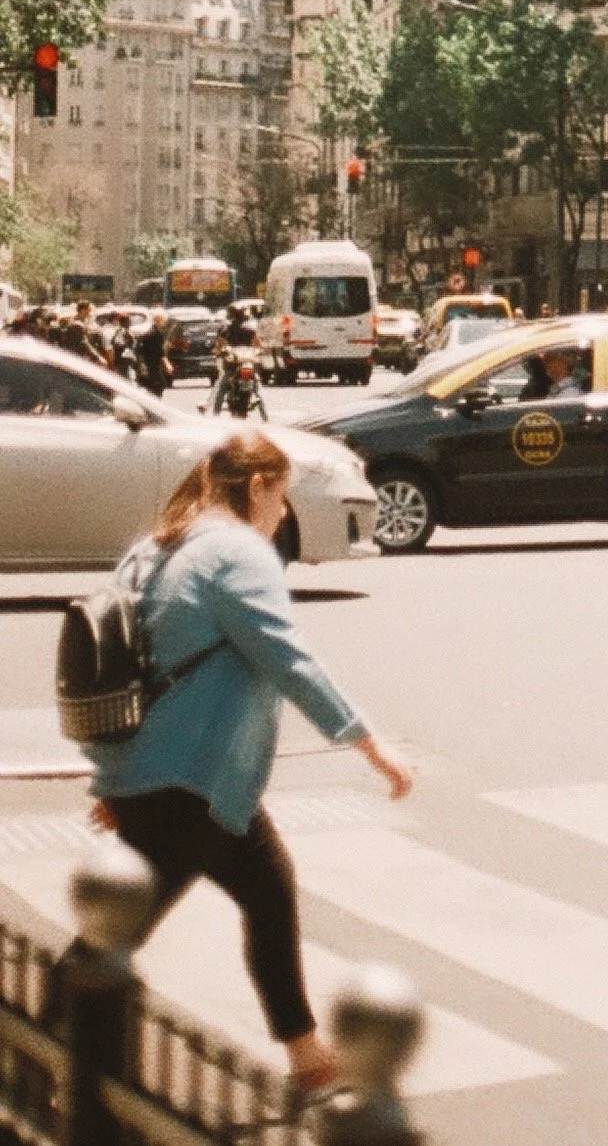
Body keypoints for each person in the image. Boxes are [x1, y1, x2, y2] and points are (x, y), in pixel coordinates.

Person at [86, 430, 412, 1094]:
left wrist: (112, 776)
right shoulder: (238, 553)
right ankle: (68, 1074)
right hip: (193, 781)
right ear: (258, 487)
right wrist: (371, 746)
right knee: (102, 950)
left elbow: (116, 667)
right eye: (283, 496)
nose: (285, 514)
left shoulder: (153, 549)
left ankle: (308, 1057)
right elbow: (287, 658)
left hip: (166, 774)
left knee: (268, 887)